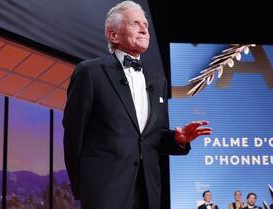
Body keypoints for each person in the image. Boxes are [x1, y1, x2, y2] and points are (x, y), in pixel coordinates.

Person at [62, 1, 212, 209]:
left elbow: (152, 138)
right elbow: (73, 135)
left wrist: (177, 139)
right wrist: (83, 187)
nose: (144, 29)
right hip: (104, 192)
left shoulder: (157, 81)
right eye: (135, 23)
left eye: (146, 24)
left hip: (147, 193)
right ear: (113, 35)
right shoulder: (90, 72)